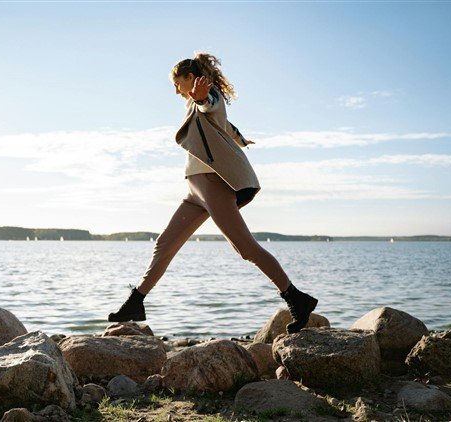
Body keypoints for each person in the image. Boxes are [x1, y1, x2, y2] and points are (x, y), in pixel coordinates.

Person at [108, 52, 318, 334]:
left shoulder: (208, 97)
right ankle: (136, 302)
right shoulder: (193, 106)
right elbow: (225, 126)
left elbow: (210, 106)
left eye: (177, 83)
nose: (175, 89)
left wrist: (200, 98)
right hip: (195, 189)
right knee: (164, 244)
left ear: (192, 80)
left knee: (245, 248)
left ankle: (296, 298)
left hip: (213, 184)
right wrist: (240, 138)